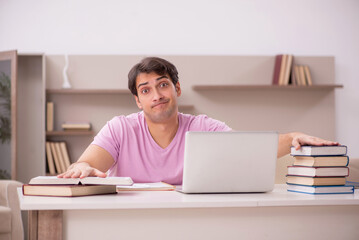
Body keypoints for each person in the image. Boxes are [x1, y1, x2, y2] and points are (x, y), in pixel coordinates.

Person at [58, 57, 339, 184]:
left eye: (163, 84)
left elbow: (247, 148)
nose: (156, 95)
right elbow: (86, 166)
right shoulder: (120, 128)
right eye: (145, 90)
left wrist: (291, 139)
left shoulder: (204, 126)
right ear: (137, 100)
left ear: (177, 89)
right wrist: (82, 166)